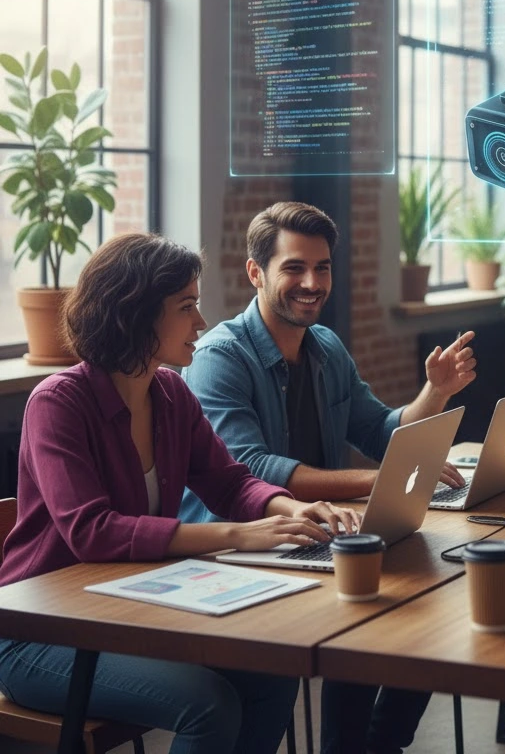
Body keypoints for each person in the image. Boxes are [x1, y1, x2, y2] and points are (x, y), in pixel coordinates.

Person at [0, 233, 360, 754]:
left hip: (131, 615)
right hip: (44, 637)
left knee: (272, 673)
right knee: (208, 703)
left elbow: (229, 480)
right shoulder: (58, 403)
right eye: (186, 306)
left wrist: (290, 508)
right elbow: (91, 532)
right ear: (135, 313)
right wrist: (242, 534)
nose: (201, 322)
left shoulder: (170, 393)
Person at [181, 200, 478, 754]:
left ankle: (368, 745)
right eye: (294, 267)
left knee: (426, 598)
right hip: (233, 550)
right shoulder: (220, 356)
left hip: (311, 539)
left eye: (322, 268)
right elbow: (253, 472)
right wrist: (378, 481)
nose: (311, 283)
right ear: (256, 272)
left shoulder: (325, 347)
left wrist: (434, 392)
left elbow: (380, 431)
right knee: (379, 605)